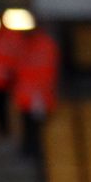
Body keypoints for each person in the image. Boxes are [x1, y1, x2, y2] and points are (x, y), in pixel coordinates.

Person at [14, 26, 60, 159]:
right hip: (29, 98)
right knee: (29, 126)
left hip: (38, 98)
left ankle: (34, 153)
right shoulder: (26, 46)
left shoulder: (43, 46)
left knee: (35, 128)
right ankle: (29, 151)